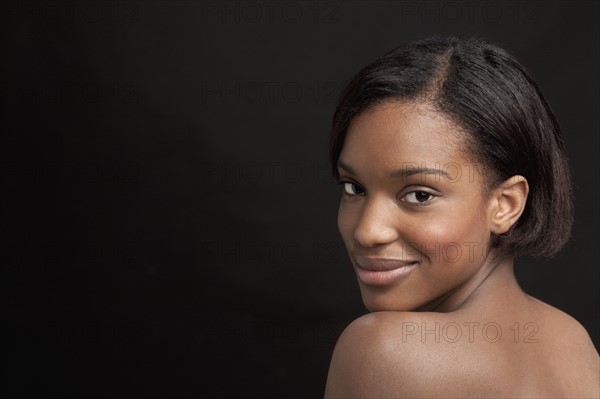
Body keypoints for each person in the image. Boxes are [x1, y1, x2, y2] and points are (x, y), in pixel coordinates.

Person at [324, 36, 599, 398]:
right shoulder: (572, 341)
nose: (367, 231)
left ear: (505, 204)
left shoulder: (382, 350)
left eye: (419, 195)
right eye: (354, 188)